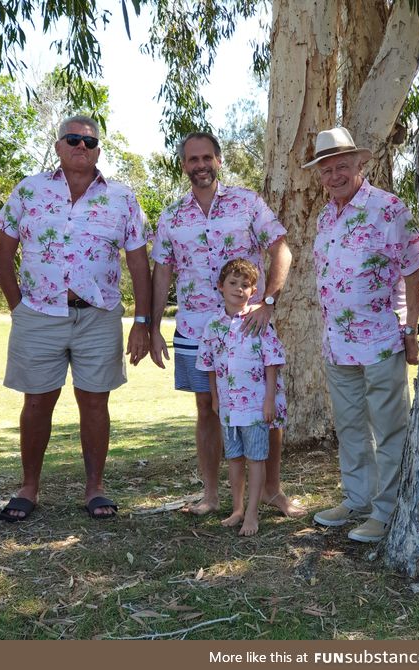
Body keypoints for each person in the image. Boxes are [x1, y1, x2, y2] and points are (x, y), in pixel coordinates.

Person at [0, 114, 152, 521]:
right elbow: (2, 255)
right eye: (73, 139)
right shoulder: (29, 190)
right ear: (59, 145)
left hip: (98, 316)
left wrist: (142, 322)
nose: (82, 146)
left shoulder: (121, 197)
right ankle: (29, 487)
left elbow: (138, 264)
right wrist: (18, 307)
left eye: (90, 141)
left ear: (99, 149)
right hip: (39, 314)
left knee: (95, 402)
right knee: (37, 402)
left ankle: (95, 488)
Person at [150, 131, 302, 517]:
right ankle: (213, 496)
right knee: (207, 409)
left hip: (250, 328)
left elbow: (280, 248)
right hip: (196, 328)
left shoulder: (247, 203)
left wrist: (268, 302)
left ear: (218, 160)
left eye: (206, 158)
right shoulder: (172, 216)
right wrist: (152, 327)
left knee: (265, 412)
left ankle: (271, 489)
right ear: (184, 165)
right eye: (191, 159)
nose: (199, 165)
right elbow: (162, 273)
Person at [302, 127, 419, 542]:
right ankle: (357, 499)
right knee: (351, 426)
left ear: (359, 165)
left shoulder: (387, 209)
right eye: (326, 169)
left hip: (381, 340)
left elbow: (412, 268)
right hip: (337, 343)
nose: (334, 175)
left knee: (389, 427)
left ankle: (386, 510)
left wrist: (410, 330)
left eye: (341, 166)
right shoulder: (324, 216)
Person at [196, 258, 287, 536]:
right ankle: (237, 509)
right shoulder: (213, 326)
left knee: (255, 458)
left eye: (245, 285)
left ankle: (252, 514)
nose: (238, 289)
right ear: (220, 287)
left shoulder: (258, 321)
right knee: (234, 457)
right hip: (228, 406)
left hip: (256, 407)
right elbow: (209, 364)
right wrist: (214, 397)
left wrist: (270, 400)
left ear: (254, 290)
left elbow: (272, 363)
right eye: (233, 283)